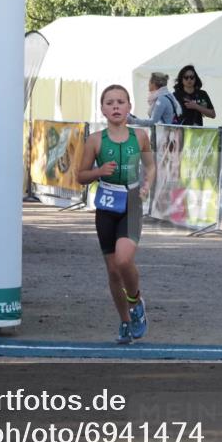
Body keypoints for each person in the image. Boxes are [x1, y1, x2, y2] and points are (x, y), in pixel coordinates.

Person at [76, 85, 156, 344]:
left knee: (123, 260)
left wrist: (146, 185)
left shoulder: (140, 136)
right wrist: (99, 172)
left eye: (121, 102)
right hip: (107, 204)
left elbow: (151, 166)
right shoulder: (95, 140)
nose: (116, 107)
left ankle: (136, 303)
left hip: (132, 201)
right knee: (112, 271)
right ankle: (125, 321)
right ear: (102, 109)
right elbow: (80, 176)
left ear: (129, 107)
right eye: (110, 103)